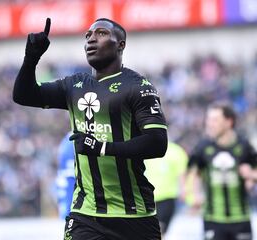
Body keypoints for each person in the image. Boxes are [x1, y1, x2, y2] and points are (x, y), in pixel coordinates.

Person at [13, 18, 168, 240]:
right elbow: (23, 95)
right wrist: (31, 57)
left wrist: (102, 147)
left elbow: (157, 143)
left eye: (101, 34)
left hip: (135, 216)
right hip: (85, 215)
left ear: (121, 44)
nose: (91, 40)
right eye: (87, 36)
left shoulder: (138, 87)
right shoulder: (74, 85)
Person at [186, 103, 257, 240]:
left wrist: (251, 175)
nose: (209, 124)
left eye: (215, 120)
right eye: (208, 119)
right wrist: (194, 195)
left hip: (240, 218)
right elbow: (194, 173)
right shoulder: (203, 147)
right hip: (213, 219)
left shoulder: (244, 146)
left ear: (229, 122)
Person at [144, 141, 188, 236]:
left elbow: (181, 173)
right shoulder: (147, 148)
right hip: (147, 198)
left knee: (159, 230)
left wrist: (184, 190)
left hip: (167, 198)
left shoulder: (176, 151)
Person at [55, 132, 76, 219]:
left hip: (65, 176)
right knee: (69, 208)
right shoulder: (71, 138)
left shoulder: (66, 140)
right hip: (70, 177)